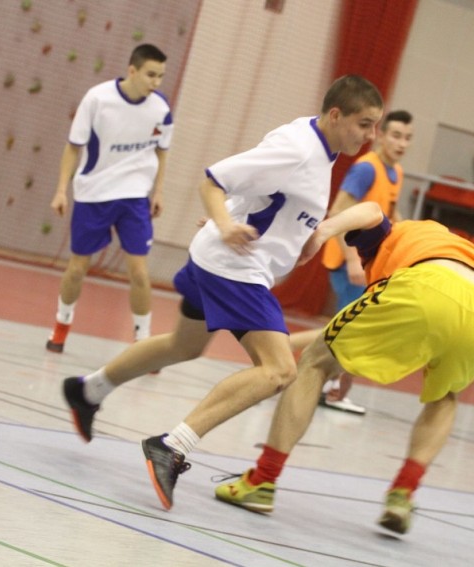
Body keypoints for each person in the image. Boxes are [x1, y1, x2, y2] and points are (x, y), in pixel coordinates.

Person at [61, 74, 384, 511]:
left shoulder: (317, 146)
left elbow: (260, 190)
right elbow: (214, 180)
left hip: (219, 260)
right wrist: (225, 221)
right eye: (365, 124)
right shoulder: (298, 149)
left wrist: (243, 219)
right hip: (235, 268)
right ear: (335, 115)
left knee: (185, 345)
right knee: (278, 370)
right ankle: (172, 445)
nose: (371, 136)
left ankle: (89, 390)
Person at [215, 203, 474, 535]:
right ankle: (403, 492)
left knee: (314, 363)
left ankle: (262, 481)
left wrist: (324, 230)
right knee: (445, 396)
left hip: (424, 284)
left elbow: (371, 210)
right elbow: (439, 318)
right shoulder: (451, 247)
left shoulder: (394, 235)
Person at [45, 44, 172, 353]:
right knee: (77, 269)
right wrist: (62, 189)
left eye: (161, 76)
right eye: (150, 75)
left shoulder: (161, 108)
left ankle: (143, 344)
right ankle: (61, 326)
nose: (156, 82)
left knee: (140, 273)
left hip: (134, 198)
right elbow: (74, 146)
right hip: (94, 194)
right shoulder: (98, 99)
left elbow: (161, 151)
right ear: (133, 70)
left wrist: (157, 190)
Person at [289, 110, 414, 415]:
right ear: (381, 135)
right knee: (352, 328)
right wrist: (352, 260)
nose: (401, 143)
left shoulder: (396, 171)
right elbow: (337, 212)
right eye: (396, 135)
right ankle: (322, 382)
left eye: (408, 138)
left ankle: (299, 364)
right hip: (349, 261)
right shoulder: (366, 170)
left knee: (349, 328)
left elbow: (389, 215)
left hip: (371, 260)